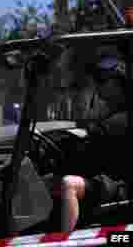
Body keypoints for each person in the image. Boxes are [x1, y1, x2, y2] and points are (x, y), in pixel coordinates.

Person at [51, 53, 131, 232]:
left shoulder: (123, 119)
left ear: (120, 83)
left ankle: (65, 243)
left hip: (121, 185)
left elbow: (94, 138)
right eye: (97, 81)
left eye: (103, 80)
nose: (98, 86)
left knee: (68, 184)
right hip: (108, 178)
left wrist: (79, 136)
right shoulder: (110, 115)